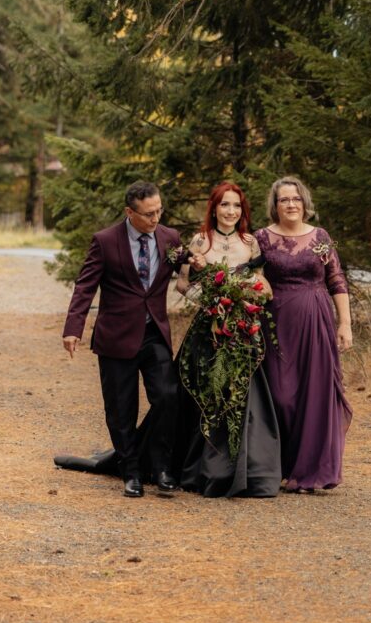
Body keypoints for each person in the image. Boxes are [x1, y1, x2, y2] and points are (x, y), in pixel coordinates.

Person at [61, 179, 185, 498]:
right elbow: (85, 285)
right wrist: (73, 327)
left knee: (168, 397)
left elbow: (188, 273)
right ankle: (130, 472)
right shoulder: (105, 241)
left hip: (154, 333)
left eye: (159, 211)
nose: (156, 218)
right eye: (148, 214)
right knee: (121, 409)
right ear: (130, 212)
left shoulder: (170, 238)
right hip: (116, 338)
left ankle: (161, 467)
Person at [175, 182, 281, 498]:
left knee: (240, 394)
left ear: (242, 210)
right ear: (214, 208)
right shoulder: (199, 241)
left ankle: (245, 469)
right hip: (207, 330)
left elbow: (263, 285)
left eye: (236, 205)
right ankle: (199, 468)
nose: (230, 211)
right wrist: (210, 301)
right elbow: (182, 284)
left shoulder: (250, 242)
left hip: (242, 329)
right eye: (224, 205)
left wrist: (244, 295)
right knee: (206, 391)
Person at [255, 176, 353, 492]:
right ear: (275, 205)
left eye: (296, 198)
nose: (291, 204)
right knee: (281, 396)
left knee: (315, 396)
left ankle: (310, 470)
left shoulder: (320, 236)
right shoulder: (261, 238)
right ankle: (280, 465)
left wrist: (345, 323)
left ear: (304, 202)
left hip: (316, 323)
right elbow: (251, 277)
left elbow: (336, 280)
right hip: (276, 324)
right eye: (284, 199)